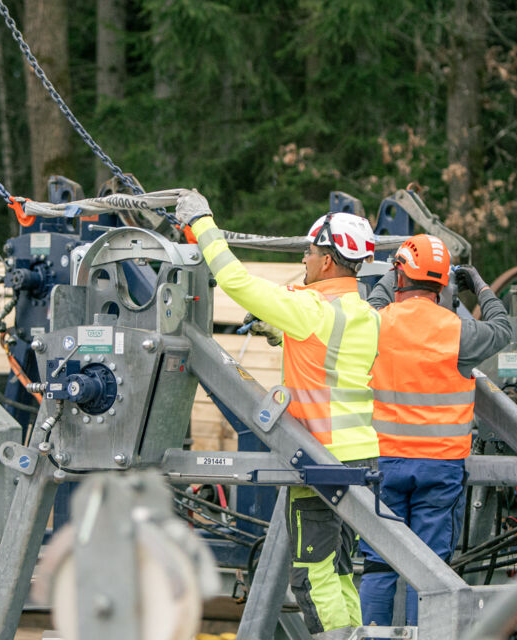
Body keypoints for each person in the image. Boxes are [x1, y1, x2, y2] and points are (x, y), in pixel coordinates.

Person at [174, 192, 379, 638]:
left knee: (312, 576)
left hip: (320, 461)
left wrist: (203, 223)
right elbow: (330, 362)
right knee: (341, 571)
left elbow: (237, 283)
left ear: (326, 260)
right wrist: (285, 333)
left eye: (308, 252)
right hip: (360, 458)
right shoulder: (362, 312)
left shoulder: (310, 309)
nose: (304, 259)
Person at [357, 235, 512, 626]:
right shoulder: (459, 330)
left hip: (384, 463)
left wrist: (392, 276)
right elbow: (503, 328)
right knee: (429, 571)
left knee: (379, 564)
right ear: (444, 284)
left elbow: (374, 303)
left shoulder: (377, 321)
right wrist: (480, 286)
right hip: (441, 467)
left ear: (400, 276)